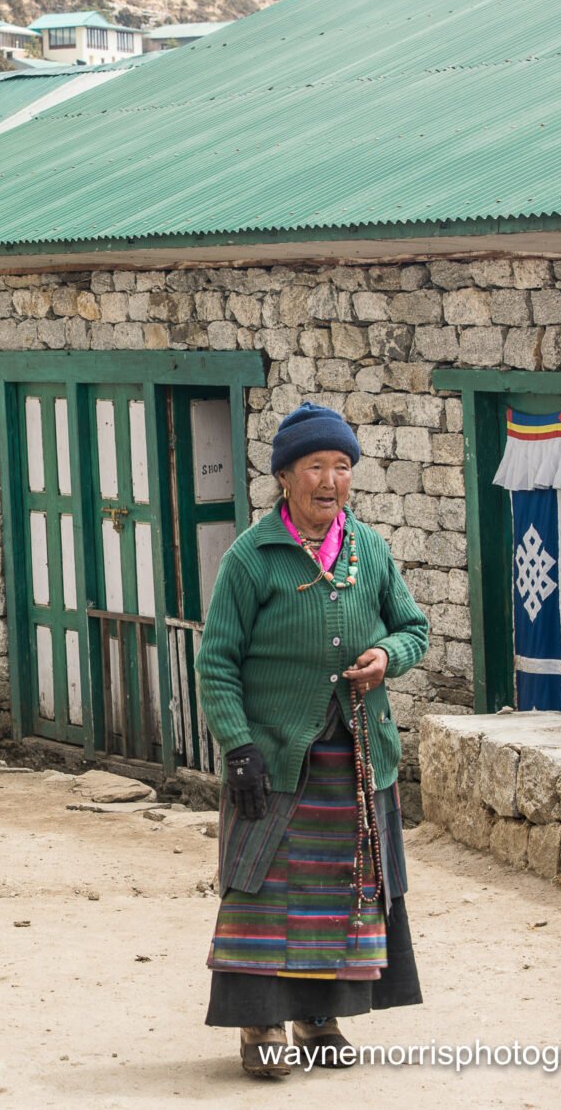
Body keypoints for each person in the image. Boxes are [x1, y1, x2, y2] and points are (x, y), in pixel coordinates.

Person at [195, 401, 430, 1079]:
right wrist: (238, 745)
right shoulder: (253, 557)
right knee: (264, 890)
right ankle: (260, 1021)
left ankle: (319, 1015)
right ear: (286, 477)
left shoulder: (371, 550)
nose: (331, 480)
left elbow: (413, 627)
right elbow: (217, 660)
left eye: (342, 466)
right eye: (316, 466)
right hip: (275, 758)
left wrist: (388, 654)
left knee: (337, 886)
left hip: (354, 757)